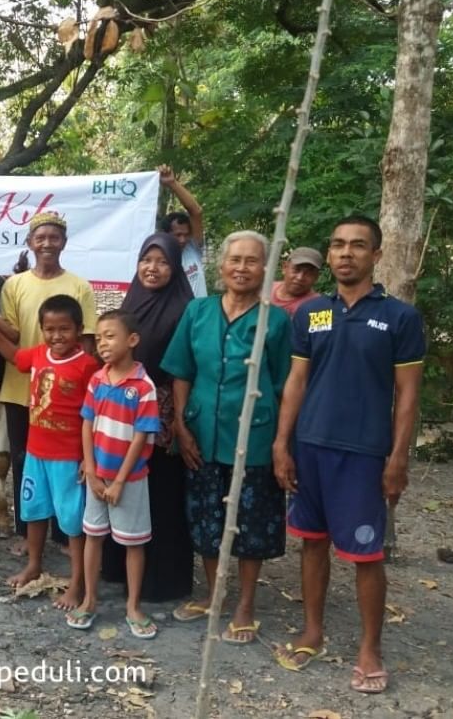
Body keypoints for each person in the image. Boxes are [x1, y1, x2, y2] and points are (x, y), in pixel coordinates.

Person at [272, 215, 424, 695]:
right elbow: (297, 381)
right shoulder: (313, 312)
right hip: (310, 447)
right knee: (312, 542)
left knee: (366, 553)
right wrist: (282, 443)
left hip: (363, 454)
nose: (345, 253)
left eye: (358, 246)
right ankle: (313, 631)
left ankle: (370, 648)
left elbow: (408, 395)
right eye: (337, 245)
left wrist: (398, 458)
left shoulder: (399, 317)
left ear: (376, 256)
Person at [162, 230, 291, 644]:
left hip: (254, 436)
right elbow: (181, 370)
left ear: (265, 269)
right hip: (201, 430)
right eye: (235, 259)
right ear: (221, 266)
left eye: (251, 261)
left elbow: (288, 384)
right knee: (206, 519)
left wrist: (280, 444)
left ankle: (245, 605)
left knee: (251, 524)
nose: (242, 268)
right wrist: (181, 424)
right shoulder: (198, 312)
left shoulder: (277, 320)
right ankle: (215, 595)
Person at [0, 213, 97, 552]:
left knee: (67, 464)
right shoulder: (15, 284)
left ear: (64, 243)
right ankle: (29, 534)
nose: (47, 244)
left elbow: (86, 342)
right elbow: (14, 334)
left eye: (54, 237)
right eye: (40, 238)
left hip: (66, 394)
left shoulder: (79, 286)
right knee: (25, 462)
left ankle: (65, 533)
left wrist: (85, 390)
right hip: (20, 384)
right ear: (30, 243)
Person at [0, 295, 100, 609]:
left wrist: (87, 457)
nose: (57, 336)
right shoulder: (39, 354)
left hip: (68, 459)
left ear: (80, 330)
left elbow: (94, 415)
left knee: (72, 523)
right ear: (42, 330)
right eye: (50, 329)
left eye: (64, 329)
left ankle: (77, 582)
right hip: (36, 454)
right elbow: (14, 356)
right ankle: (34, 564)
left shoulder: (88, 366)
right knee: (35, 512)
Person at [101, 233, 195, 603]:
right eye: (146, 260)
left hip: (163, 417)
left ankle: (162, 580)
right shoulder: (130, 306)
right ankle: (118, 572)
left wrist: (175, 416)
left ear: (175, 269)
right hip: (121, 412)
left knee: (160, 495)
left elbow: (187, 365)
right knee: (123, 490)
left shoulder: (186, 308)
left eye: (162, 262)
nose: (152, 269)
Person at [75, 310, 162, 639]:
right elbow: (87, 423)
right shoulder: (98, 379)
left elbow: (141, 437)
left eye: (110, 336)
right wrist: (92, 470)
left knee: (133, 544)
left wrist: (120, 481)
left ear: (132, 340)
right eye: (98, 338)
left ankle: (133, 605)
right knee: (93, 536)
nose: (102, 343)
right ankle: (89, 598)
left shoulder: (143, 386)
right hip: (97, 477)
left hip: (131, 481)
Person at [157, 165, 207, 298]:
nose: (183, 240)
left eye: (186, 235)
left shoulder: (193, 249)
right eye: (177, 235)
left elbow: (196, 212)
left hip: (200, 316)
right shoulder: (158, 261)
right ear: (165, 234)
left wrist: (172, 183)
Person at [271, 246, 323, 317]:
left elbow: (323, 328)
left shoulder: (320, 307)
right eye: (296, 270)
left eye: (308, 273)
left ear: (316, 277)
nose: (300, 277)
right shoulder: (264, 290)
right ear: (285, 267)